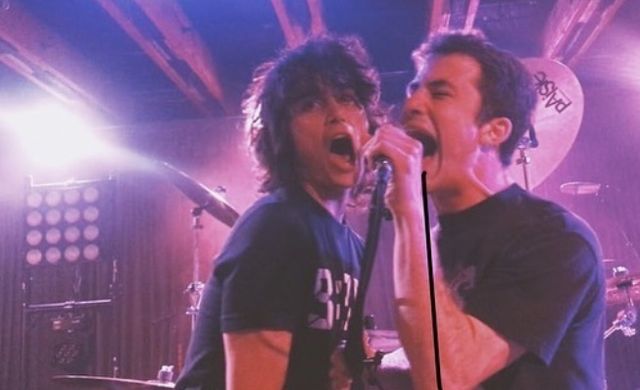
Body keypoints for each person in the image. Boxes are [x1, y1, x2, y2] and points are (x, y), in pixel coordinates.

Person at [363, 29, 606, 389]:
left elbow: (449, 374)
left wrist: (406, 208)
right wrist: (372, 369)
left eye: (440, 93)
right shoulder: (432, 243)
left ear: (494, 131)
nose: (412, 104)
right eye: (414, 89)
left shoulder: (555, 239)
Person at [175, 34, 382, 390]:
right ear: (281, 135)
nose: (337, 116)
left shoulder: (354, 246)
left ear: (368, 125)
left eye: (348, 99)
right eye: (310, 104)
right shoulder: (276, 228)